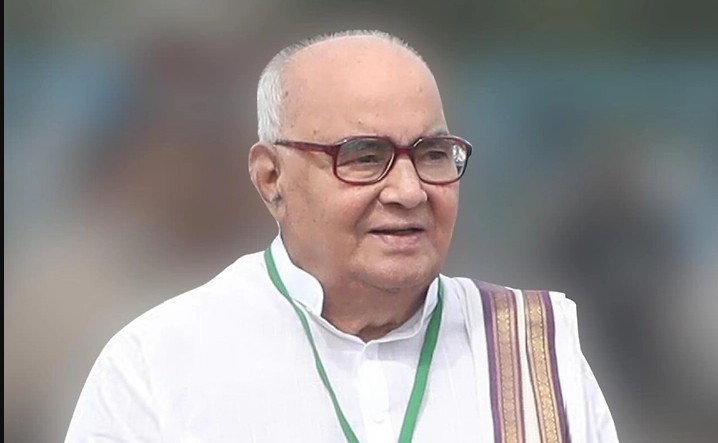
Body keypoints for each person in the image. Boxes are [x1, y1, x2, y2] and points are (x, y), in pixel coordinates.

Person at [65, 30, 618, 442]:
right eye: (364, 156)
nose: (409, 190)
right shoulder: (160, 364)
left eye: (432, 154)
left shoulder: (533, 352)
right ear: (270, 178)